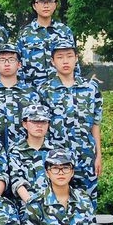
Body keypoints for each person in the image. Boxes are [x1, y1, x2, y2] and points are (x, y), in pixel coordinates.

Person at [38, 40, 102, 200]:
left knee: (87, 202)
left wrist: (98, 155)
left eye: (69, 56)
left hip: (86, 156)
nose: (65, 61)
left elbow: (95, 124)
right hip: (56, 158)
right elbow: (39, 126)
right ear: (53, 61)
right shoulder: (44, 90)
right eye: (60, 57)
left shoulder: (91, 88)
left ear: (76, 58)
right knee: (56, 203)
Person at [17, 0, 80, 88]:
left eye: (50, 1)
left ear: (55, 5)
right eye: (41, 1)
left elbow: (74, 63)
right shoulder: (25, 33)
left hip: (60, 90)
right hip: (33, 90)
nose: (46, 6)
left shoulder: (65, 31)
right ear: (34, 5)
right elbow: (18, 65)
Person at [0, 43, 40, 151]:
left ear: (19, 65)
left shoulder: (30, 92)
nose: (7, 63)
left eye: (11, 60)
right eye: (2, 60)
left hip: (24, 151)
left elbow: (38, 122)